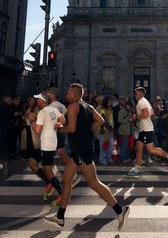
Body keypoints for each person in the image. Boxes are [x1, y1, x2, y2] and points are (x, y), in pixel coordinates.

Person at [43, 83, 129, 229]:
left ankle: (120, 210)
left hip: (81, 150)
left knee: (94, 183)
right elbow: (100, 121)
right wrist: (87, 130)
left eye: (69, 93)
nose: (67, 95)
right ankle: (60, 216)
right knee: (66, 180)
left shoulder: (72, 106)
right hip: (81, 149)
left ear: (75, 95)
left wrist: (58, 128)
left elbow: (71, 128)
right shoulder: (88, 106)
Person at [126, 87, 168, 178]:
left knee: (151, 149)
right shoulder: (145, 101)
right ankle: (136, 170)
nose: (134, 95)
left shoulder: (141, 102)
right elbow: (151, 113)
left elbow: (146, 114)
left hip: (146, 129)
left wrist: (135, 117)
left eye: (136, 93)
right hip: (144, 129)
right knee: (139, 148)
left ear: (141, 94)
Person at [32, 93, 65, 205]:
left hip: (46, 143)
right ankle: (51, 185)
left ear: (43, 101)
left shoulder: (42, 112)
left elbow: (37, 130)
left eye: (38, 99)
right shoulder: (53, 109)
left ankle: (62, 194)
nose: (36, 101)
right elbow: (63, 119)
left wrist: (32, 120)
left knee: (48, 170)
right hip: (51, 142)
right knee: (41, 165)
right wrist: (59, 124)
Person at [117, 96, 134, 164]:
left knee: (127, 145)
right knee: (124, 145)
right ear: (127, 105)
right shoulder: (122, 110)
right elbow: (119, 120)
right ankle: (123, 158)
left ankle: (127, 157)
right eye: (129, 106)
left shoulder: (129, 110)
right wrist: (128, 120)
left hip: (129, 131)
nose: (130, 107)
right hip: (124, 131)